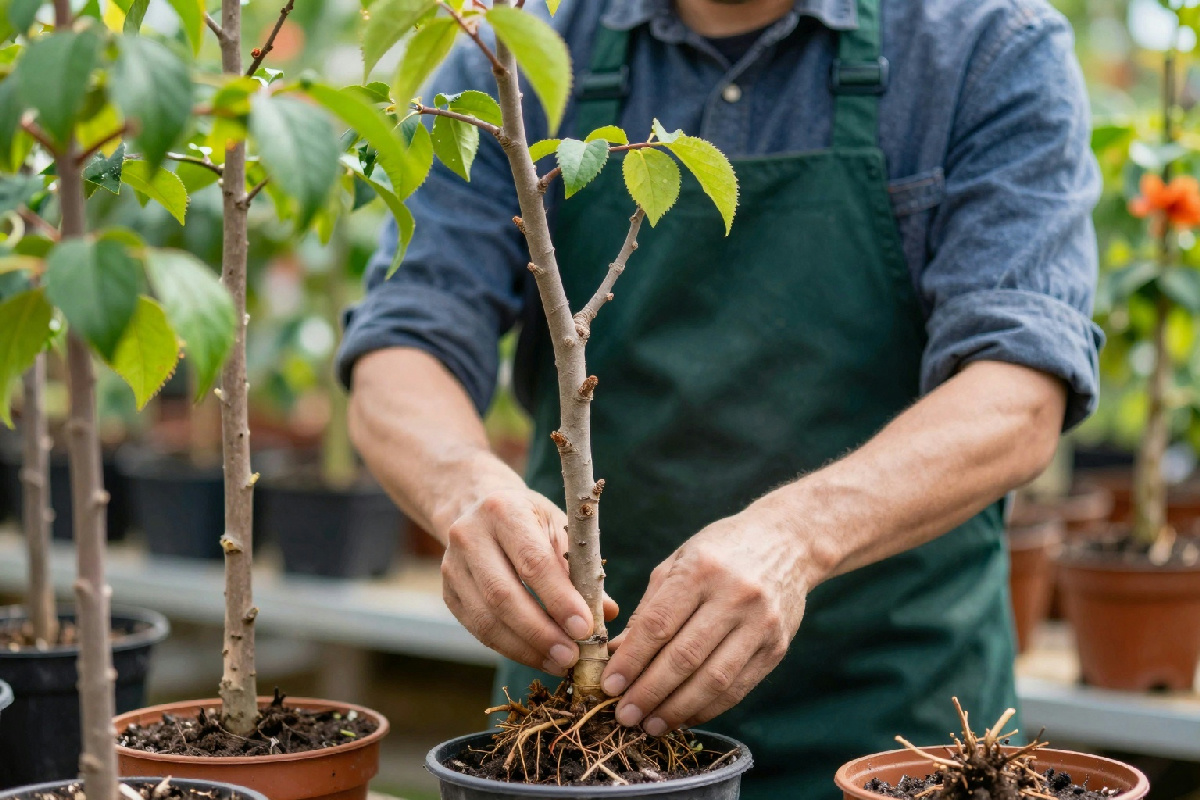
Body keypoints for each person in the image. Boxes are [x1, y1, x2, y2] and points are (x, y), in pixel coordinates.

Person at [338, 0, 1102, 797]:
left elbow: (1020, 391)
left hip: (898, 731)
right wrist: (463, 486)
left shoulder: (984, 46)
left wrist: (798, 535)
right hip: (585, 742)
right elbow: (407, 337)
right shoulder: (519, 51)